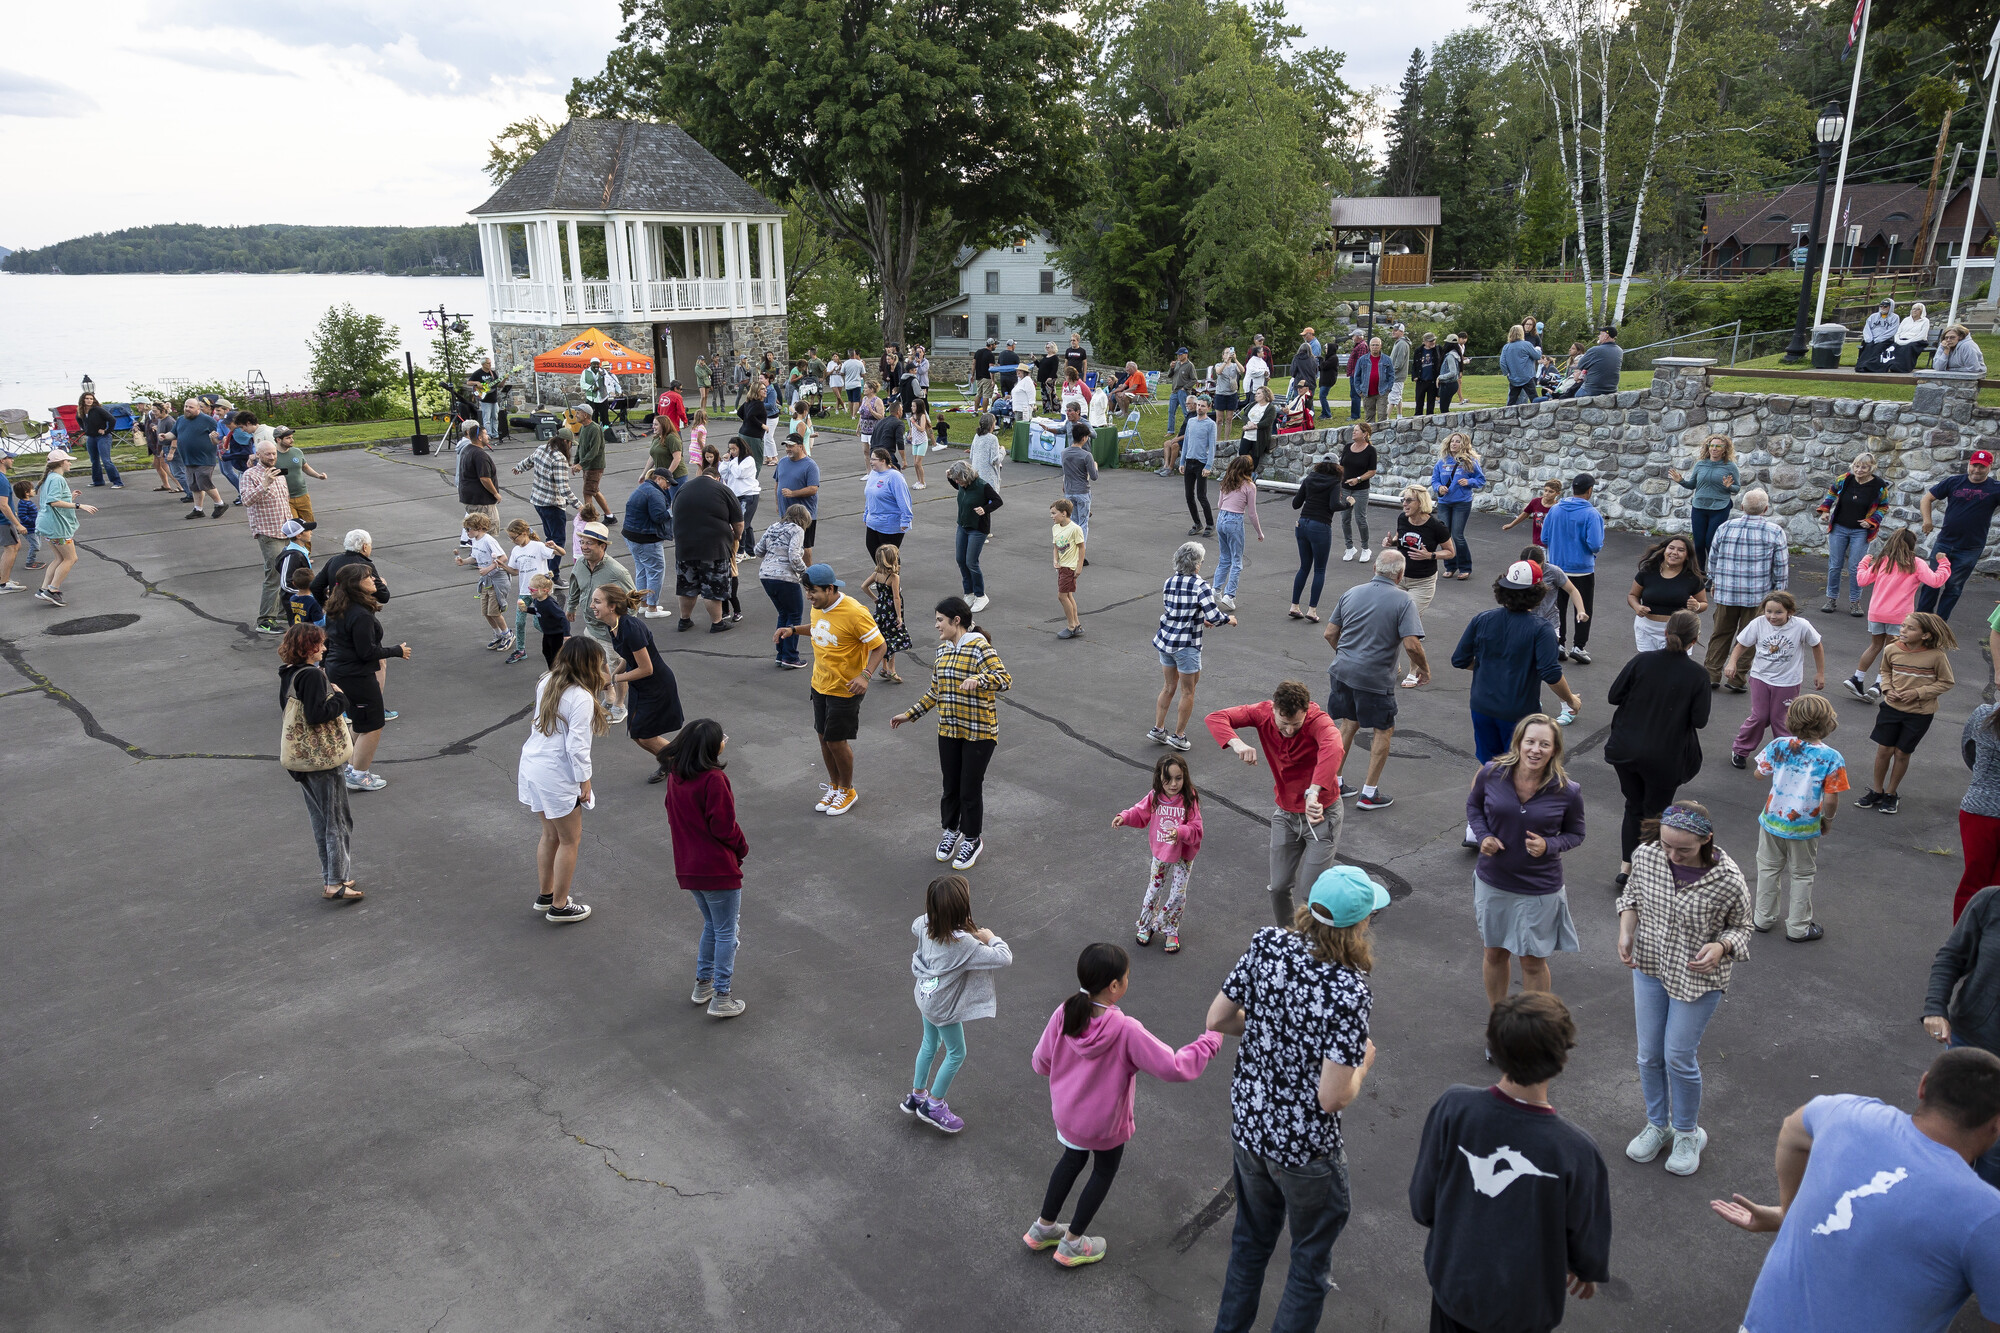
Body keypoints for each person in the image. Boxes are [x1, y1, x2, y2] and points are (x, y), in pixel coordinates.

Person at [1206, 868, 1384, 1333]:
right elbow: (1331, 1097)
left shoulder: (1268, 944)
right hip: (1305, 1151)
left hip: (1249, 1130)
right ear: (1357, 925)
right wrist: (1362, 1065)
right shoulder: (1349, 989)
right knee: (1308, 1267)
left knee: (1249, 1247)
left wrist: (1274, 1029)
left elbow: (1218, 1019)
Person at [1712, 1047, 2000, 1333]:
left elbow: (1791, 1132)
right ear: (1996, 1125)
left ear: (1923, 1085)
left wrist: (1788, 1211)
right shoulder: (1987, 1216)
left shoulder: (1845, 1113)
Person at [1409, 992, 1612, 1333]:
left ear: (1495, 1047)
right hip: (1525, 1308)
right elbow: (1588, 1235)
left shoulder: (1454, 1108)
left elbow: (1423, 1204)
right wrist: (1587, 1269)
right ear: (1562, 1058)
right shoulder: (1576, 1150)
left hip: (1455, 1288)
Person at [1026, 942, 1222, 1269]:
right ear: (1114, 986)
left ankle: (1043, 1229)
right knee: (1103, 1171)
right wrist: (1211, 1038)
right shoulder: (1126, 1030)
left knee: (1071, 1160)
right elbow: (1174, 1067)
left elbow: (1040, 1062)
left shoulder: (1066, 1011)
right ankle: (1072, 1244)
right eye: (1127, 976)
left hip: (1067, 1117)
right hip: (1104, 1127)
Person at [1613, 800, 1752, 1177]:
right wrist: (1627, 932)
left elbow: (1743, 928)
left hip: (1698, 978)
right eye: (1667, 845)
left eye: (1683, 850)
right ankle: (1659, 1125)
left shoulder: (1728, 879)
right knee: (1648, 1055)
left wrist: (1721, 946)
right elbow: (1631, 898)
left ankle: (1689, 1133)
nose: (1672, 855)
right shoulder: (1646, 855)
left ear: (1706, 840)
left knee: (1677, 1055)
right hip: (1651, 966)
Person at [1466, 715, 1584, 1014]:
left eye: (1545, 744)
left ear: (1555, 750)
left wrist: (1549, 845)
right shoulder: (1492, 773)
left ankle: (1532, 1027)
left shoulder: (1567, 790)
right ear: (1518, 743)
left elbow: (1576, 833)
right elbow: (1474, 806)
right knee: (1495, 953)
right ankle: (1500, 1023)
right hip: (1494, 881)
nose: (1536, 749)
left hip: (1538, 888)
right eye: (1530, 742)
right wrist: (1483, 836)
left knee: (1532, 961)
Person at [892, 596, 1011, 870]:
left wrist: (979, 679)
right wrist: (910, 715)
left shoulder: (979, 647)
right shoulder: (942, 651)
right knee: (950, 786)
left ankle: (972, 839)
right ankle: (951, 830)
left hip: (979, 731)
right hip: (948, 729)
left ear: (956, 621)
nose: (936, 626)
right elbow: (936, 691)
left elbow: (1004, 679)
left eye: (940, 620)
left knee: (969, 788)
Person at [900, 874, 1014, 1135]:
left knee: (929, 1044)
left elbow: (914, 926)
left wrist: (935, 919)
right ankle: (934, 1105)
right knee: (956, 1053)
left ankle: (917, 1095)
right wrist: (990, 937)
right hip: (944, 1009)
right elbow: (1004, 958)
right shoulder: (966, 945)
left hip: (925, 997)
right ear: (962, 909)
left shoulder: (927, 923)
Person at [1605, 610, 1710, 884]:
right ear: (1695, 640)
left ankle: (1626, 867)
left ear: (1666, 632)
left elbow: (1614, 695)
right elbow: (1700, 720)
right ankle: (1648, 871)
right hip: (1666, 755)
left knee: (1633, 806)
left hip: (1626, 749)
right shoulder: (1698, 675)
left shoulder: (1642, 661)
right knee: (1656, 812)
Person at [1452, 561, 1582, 782]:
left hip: (1481, 706)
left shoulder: (1483, 619)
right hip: (1518, 714)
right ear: (1539, 593)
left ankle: (1477, 815)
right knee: (1519, 773)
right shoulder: (1541, 629)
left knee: (1488, 767)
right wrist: (1570, 700)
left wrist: (1488, 665)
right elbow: (1550, 673)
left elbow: (1460, 660)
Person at [778, 563, 885, 816]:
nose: (808, 596)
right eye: (806, 590)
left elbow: (879, 646)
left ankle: (848, 790)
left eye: (812, 591)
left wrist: (866, 675)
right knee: (823, 738)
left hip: (846, 687)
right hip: (820, 683)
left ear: (830, 588)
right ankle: (835, 787)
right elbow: (818, 630)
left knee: (836, 741)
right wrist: (793, 629)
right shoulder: (819, 607)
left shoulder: (855, 613)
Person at [1326, 549, 1429, 811]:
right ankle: (1369, 793)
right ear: (1400, 574)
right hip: (1374, 678)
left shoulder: (1351, 592)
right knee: (1383, 729)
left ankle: (1334, 782)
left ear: (1375, 568)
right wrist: (1424, 669)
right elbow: (1412, 645)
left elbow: (1329, 633)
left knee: (1349, 723)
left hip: (1342, 672)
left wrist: (1347, 655)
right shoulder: (1404, 601)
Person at [517, 638, 607, 924]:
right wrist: (585, 781)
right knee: (570, 839)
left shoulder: (548, 680)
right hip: (556, 773)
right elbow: (577, 747)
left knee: (550, 835)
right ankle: (559, 906)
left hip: (533, 764)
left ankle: (546, 896)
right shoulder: (580, 697)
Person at [277, 623, 362, 903]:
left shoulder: (289, 673)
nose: (324, 649)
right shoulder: (312, 676)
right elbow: (316, 715)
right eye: (320, 644)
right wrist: (340, 697)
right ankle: (336, 881)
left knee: (321, 820)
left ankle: (331, 875)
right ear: (307, 647)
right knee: (337, 820)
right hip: (321, 760)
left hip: (301, 761)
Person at [1752, 694, 1847, 943]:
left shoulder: (1780, 745)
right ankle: (1798, 927)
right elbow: (1831, 798)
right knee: (1802, 874)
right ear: (1827, 723)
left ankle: (1762, 918)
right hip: (1805, 826)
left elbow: (1759, 773)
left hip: (1773, 820)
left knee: (1768, 868)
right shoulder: (1832, 758)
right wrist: (1829, 819)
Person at [1926, 888, 2000, 1186]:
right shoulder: (1991, 902)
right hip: (1970, 1045)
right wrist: (1935, 1008)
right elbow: (1951, 957)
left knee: (1994, 1163)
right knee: (1945, 1145)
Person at [1857, 611, 1957, 815]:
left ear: (1926, 635)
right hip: (1891, 709)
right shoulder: (1892, 649)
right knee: (1884, 750)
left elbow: (1946, 682)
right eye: (1903, 626)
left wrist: (1918, 693)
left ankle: (1891, 794)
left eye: (1910, 628)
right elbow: (1885, 671)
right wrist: (1887, 689)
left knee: (1902, 753)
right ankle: (1877, 791)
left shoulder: (1936, 655)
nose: (1903, 630)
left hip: (1919, 714)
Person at [323, 563, 408, 794]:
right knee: (373, 724)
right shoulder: (360, 615)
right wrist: (396, 651)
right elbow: (367, 652)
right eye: (368, 577)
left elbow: (329, 642)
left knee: (360, 720)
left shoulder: (337, 606)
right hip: (355, 675)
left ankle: (353, 768)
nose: (374, 580)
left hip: (339, 671)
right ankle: (359, 774)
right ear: (355, 584)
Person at [1148, 542, 1237, 751]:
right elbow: (1214, 616)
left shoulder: (1169, 582)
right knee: (1188, 691)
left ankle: (1158, 729)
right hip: (1187, 645)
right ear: (1196, 564)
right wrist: (1229, 619)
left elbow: (1178, 610)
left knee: (1168, 687)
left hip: (1166, 640)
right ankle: (1179, 736)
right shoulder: (1200, 585)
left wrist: (1200, 618)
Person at [1113, 754, 1204, 952]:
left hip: (1183, 854)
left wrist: (1181, 832)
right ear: (1159, 779)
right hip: (1161, 852)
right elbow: (1139, 812)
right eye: (1167, 780)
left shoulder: (1189, 797)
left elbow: (1197, 828)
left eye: (1178, 778)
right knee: (1153, 890)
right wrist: (1125, 817)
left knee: (1178, 894)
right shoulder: (1155, 797)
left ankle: (1170, 927)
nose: (1173, 784)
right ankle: (1146, 925)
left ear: (1185, 776)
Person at [592, 584, 684, 780]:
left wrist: (614, 678)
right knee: (636, 733)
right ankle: (670, 762)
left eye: (597, 601)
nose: (592, 605)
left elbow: (646, 668)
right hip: (641, 686)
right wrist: (611, 678)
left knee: (646, 735)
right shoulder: (613, 626)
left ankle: (680, 762)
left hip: (657, 685)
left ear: (612, 606)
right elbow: (629, 657)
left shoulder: (631, 628)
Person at [1701, 488, 1792, 688]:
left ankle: (1711, 675)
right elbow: (1781, 568)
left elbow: (1713, 559)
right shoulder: (1775, 531)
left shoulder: (1725, 527)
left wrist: (1714, 581)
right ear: (1766, 509)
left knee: (1720, 634)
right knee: (1750, 637)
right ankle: (1737, 678)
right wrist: (1779, 596)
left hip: (1727, 594)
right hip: (1759, 597)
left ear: (1741, 506)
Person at [1847, 527, 1950, 701]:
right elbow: (1935, 581)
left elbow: (1862, 580)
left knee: (1874, 646)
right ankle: (1879, 683)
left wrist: (1864, 562)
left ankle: (1857, 678)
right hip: (1899, 616)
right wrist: (1944, 563)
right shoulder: (1916, 563)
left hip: (1876, 612)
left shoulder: (1882, 561)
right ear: (1912, 545)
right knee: (1892, 650)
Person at [1724, 592, 1825, 765]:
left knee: (1782, 720)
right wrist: (1732, 663)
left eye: (1778, 612)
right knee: (1760, 716)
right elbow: (1741, 644)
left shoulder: (1801, 626)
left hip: (1788, 681)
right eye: (1768, 611)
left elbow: (1816, 645)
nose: (1772, 616)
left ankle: (1786, 755)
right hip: (1760, 677)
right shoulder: (1758, 623)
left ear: (1789, 612)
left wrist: (1820, 673)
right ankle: (1740, 750)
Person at [1917, 448, 2000, 621]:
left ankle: (1939, 625)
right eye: (1974, 465)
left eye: (1982, 467)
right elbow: (1927, 499)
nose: (1976, 470)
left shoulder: (1995, 489)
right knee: (1932, 582)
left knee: (1954, 587)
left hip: (1970, 548)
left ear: (1990, 467)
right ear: (1969, 464)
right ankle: (1919, 620)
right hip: (1945, 543)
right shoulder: (1954, 482)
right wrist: (1927, 521)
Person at [1808, 450, 1887, 617]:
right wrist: (1825, 511)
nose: (1858, 470)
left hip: (1861, 531)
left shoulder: (1879, 485)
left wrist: (1872, 520)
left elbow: (1883, 507)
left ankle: (1855, 602)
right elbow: (1831, 493)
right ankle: (1831, 599)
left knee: (1855, 567)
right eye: (1856, 466)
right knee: (1835, 565)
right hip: (1839, 528)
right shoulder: (1844, 479)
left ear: (1871, 468)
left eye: (1864, 467)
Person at [1387, 486, 1452, 685]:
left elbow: (1450, 552)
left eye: (1409, 501)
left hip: (1423, 582)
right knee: (1391, 621)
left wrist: (1430, 555)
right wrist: (1391, 543)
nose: (1404, 504)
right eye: (1403, 500)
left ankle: (1414, 670)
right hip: (1400, 579)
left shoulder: (1436, 526)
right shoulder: (1402, 518)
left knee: (1409, 625)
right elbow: (1401, 541)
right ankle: (1393, 664)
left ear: (1420, 503)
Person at [668, 459, 742, 634]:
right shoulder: (723, 490)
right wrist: (736, 538)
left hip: (685, 548)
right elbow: (739, 523)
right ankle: (717, 623)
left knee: (687, 586)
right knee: (713, 588)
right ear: (717, 478)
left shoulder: (683, 489)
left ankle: (684, 620)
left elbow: (673, 512)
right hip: (714, 549)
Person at [1539, 474, 1603, 664]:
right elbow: (1595, 544)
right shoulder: (1592, 514)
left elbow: (1544, 538)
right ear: (1589, 490)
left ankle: (1559, 642)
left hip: (1557, 567)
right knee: (1583, 608)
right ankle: (1579, 646)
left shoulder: (1556, 510)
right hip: (1582, 569)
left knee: (1556, 607)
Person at [29, 450, 95, 608]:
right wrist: (79, 505)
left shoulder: (50, 477)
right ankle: (52, 590)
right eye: (68, 460)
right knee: (71, 558)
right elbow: (53, 501)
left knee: (59, 559)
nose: (70, 463)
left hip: (48, 525)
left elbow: (53, 499)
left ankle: (44, 589)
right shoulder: (57, 479)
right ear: (60, 463)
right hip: (57, 526)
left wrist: (69, 497)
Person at [511, 430, 580, 577]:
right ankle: (552, 574)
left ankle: (546, 570)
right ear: (566, 442)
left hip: (538, 501)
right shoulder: (559, 458)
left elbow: (529, 461)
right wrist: (579, 506)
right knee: (558, 541)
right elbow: (563, 488)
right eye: (570, 444)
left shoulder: (542, 448)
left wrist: (519, 468)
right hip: (553, 505)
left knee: (550, 537)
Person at [751, 504, 811, 669]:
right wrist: (805, 574)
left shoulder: (773, 527)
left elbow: (758, 551)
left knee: (783, 613)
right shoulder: (797, 530)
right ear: (803, 519)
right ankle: (790, 656)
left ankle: (781, 654)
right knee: (794, 615)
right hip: (785, 577)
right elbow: (793, 555)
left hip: (766, 575)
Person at [1628, 534, 1710, 653]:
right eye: (1671, 548)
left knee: (1674, 669)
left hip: (1678, 632)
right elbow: (1632, 595)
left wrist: (1696, 606)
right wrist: (1637, 607)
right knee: (1648, 667)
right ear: (1664, 550)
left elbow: (1704, 603)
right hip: (1646, 629)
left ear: (1687, 556)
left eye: (1681, 550)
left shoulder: (1693, 578)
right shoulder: (1648, 571)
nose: (1674, 552)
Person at [1287, 457, 1344, 623]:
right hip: (1320, 526)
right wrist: (1348, 503)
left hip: (1302, 524)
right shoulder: (1334, 482)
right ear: (1336, 467)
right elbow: (1334, 505)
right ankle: (1312, 610)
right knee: (1319, 569)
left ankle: (1294, 606)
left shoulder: (1309, 478)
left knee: (1304, 567)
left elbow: (1296, 504)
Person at [1670, 434, 1740, 565]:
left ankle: (1713, 573)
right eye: (1712, 445)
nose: (1714, 448)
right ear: (1708, 447)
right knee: (1699, 544)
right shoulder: (1700, 464)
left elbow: (1737, 488)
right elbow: (1692, 485)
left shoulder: (1730, 466)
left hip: (1719, 508)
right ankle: (1700, 574)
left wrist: (1729, 486)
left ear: (1724, 449)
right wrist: (1681, 481)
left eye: (1718, 446)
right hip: (1699, 507)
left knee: (1710, 542)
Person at [1958, 703, 2000, 922]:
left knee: (1973, 882)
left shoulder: (1984, 713)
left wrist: (1983, 780)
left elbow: (1968, 751)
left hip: (1979, 808)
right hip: (1982, 808)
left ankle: (1962, 947)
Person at [454, 511, 516, 653]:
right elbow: (474, 558)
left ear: (479, 527)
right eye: (465, 529)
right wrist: (463, 561)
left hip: (497, 579)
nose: (466, 532)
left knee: (494, 611)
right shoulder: (475, 541)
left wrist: (488, 568)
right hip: (486, 580)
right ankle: (498, 634)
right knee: (486, 612)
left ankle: (508, 634)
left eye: (468, 529)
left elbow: (503, 558)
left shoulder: (488, 540)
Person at [946, 460, 1002, 613]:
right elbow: (956, 485)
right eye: (955, 479)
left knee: (971, 562)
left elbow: (998, 501)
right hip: (963, 526)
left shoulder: (982, 486)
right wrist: (949, 477)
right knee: (960, 559)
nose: (957, 482)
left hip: (978, 529)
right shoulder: (963, 484)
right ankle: (969, 593)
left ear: (966, 476)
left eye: (958, 479)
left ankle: (980, 595)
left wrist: (985, 509)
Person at [1429, 433, 1485, 581]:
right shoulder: (1442, 461)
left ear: (1463, 444)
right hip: (1444, 503)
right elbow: (1434, 479)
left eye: (1458, 442)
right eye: (1452, 441)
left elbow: (1481, 480)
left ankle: (1465, 567)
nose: (1454, 444)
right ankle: (1450, 566)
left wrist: (1469, 482)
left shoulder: (1470, 461)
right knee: (1444, 536)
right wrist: (1439, 487)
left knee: (1457, 536)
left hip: (1462, 502)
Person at [620, 468, 673, 618]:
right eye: (667, 483)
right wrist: (672, 511)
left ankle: (643, 604)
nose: (668, 487)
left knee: (642, 569)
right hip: (646, 538)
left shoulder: (644, 487)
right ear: (659, 479)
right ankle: (652, 608)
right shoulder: (655, 493)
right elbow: (659, 517)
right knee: (656, 571)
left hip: (631, 535)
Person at [1214, 454, 1264, 612]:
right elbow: (1252, 513)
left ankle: (1215, 590)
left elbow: (1219, 504)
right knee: (1237, 560)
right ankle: (1229, 595)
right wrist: (1259, 532)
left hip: (1221, 518)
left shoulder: (1226, 482)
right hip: (1235, 521)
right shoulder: (1249, 486)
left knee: (1224, 558)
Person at [860, 544, 913, 684]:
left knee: (882, 639)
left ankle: (884, 668)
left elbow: (863, 586)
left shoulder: (877, 574)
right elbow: (896, 597)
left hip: (881, 610)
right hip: (891, 612)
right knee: (892, 640)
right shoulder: (893, 577)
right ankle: (892, 669)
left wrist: (874, 598)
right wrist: (899, 616)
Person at [169, 397, 225, 519]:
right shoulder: (180, 420)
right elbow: (173, 434)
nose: (187, 409)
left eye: (191, 407)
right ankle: (198, 509)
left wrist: (219, 445)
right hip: (189, 458)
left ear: (198, 408)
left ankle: (220, 503)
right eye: (186, 406)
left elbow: (219, 436)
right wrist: (164, 436)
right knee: (194, 485)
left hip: (204, 458)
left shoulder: (208, 420)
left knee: (203, 482)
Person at [774, 433, 821, 563]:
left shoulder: (810, 465)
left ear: (800, 446)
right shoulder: (782, 462)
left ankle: (808, 575)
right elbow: (777, 483)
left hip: (804, 516)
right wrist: (778, 504)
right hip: (786, 513)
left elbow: (813, 489)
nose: (788, 449)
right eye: (786, 446)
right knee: (787, 544)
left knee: (804, 546)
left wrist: (793, 493)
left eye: (791, 446)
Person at [1175, 396, 1217, 536]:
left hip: (1201, 463)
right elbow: (1186, 442)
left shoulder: (1211, 424)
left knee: (1201, 495)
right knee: (1188, 495)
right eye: (1198, 405)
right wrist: (1182, 461)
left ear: (1208, 408)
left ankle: (1210, 524)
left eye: (1203, 406)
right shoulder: (1191, 422)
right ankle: (1197, 523)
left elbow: (1212, 447)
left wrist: (1208, 466)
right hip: (1189, 461)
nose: (1199, 408)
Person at [862, 446, 914, 558]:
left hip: (889, 526)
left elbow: (904, 500)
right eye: (870, 459)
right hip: (873, 523)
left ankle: (892, 576)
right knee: (875, 553)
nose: (870, 462)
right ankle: (882, 575)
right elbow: (870, 497)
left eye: (873, 459)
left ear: (883, 461)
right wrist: (866, 515)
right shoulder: (873, 474)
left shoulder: (895, 477)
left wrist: (906, 520)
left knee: (888, 559)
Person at [1338, 423, 1378, 562]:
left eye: (1356, 431)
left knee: (1360, 519)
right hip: (1345, 488)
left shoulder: (1370, 450)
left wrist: (1358, 479)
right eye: (1353, 431)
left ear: (1365, 434)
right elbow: (1341, 467)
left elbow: (1372, 471)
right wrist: (1339, 486)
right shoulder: (1347, 447)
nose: (1353, 433)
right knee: (1345, 518)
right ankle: (1349, 548)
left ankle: (1365, 548)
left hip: (1360, 489)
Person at [718, 437, 762, 557]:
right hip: (736, 496)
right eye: (730, 449)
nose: (732, 452)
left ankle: (739, 551)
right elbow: (723, 473)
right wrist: (726, 462)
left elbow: (738, 473)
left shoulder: (749, 460)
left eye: (734, 449)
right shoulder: (733, 461)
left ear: (741, 448)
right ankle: (750, 551)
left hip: (748, 495)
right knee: (746, 524)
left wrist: (731, 462)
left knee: (740, 523)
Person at [1051, 497, 1086, 639]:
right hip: (1062, 567)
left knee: (1062, 596)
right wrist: (1055, 560)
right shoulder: (1055, 528)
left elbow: (1082, 548)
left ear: (1064, 513)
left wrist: (1079, 567)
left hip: (1069, 568)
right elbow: (1055, 546)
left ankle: (1072, 626)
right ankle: (1076, 624)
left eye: (1054, 513)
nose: (1051, 516)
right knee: (1069, 595)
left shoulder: (1075, 529)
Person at [72, 390, 120, 490]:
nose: (89, 400)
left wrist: (107, 431)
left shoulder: (98, 409)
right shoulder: (81, 411)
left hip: (102, 437)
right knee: (94, 460)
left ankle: (117, 481)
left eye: (91, 399)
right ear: (83, 400)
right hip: (91, 438)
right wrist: (86, 430)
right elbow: (79, 420)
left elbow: (112, 419)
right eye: (87, 398)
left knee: (106, 460)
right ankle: (98, 481)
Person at [1060, 424, 1099, 544]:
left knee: (1073, 522)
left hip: (1069, 491)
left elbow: (1065, 472)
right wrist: (1095, 466)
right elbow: (1094, 476)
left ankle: (1071, 549)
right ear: (1084, 438)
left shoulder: (1064, 453)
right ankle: (1081, 551)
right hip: (1082, 491)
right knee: (1083, 524)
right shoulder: (1087, 455)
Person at [1351, 336, 1392, 421]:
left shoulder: (1387, 360)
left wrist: (1388, 388)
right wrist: (1359, 390)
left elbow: (1391, 375)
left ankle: (1382, 433)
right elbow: (1357, 376)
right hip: (1367, 392)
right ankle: (1371, 433)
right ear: (1369, 346)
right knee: (1369, 416)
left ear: (1381, 346)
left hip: (1382, 392)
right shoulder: (1362, 360)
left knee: (1382, 415)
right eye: (1373, 345)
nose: (1375, 347)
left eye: (1377, 345)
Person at [1577, 326, 1623, 397]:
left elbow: (1580, 365)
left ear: (1606, 336)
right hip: (1612, 390)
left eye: (1601, 334)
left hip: (1592, 390)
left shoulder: (1595, 350)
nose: (1598, 336)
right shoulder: (1619, 351)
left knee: (1570, 396)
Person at [1501, 325, 1540, 406]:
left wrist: (1507, 373)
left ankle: (1507, 416)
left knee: (1512, 400)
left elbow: (1502, 362)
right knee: (1534, 399)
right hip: (1527, 377)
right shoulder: (1526, 344)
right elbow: (1537, 356)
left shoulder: (1506, 347)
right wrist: (1538, 349)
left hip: (1513, 377)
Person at [1857, 297, 1898, 368]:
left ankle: (1871, 366)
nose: (1883, 308)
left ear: (1890, 307)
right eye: (1881, 306)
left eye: (1885, 306)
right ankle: (1861, 366)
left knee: (1877, 348)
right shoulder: (1873, 316)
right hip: (1871, 339)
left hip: (1885, 340)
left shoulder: (1895, 317)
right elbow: (1867, 329)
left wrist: (1879, 339)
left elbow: (1892, 331)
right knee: (1868, 346)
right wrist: (1869, 339)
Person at [1213, 348, 1243, 441]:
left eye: (1230, 353)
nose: (1228, 354)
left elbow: (1242, 370)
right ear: (1223, 356)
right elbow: (1218, 371)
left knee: (1229, 419)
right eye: (1226, 353)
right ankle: (1217, 440)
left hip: (1232, 395)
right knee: (1219, 420)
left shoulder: (1234, 365)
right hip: (1220, 394)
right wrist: (1225, 362)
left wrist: (1235, 359)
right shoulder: (1218, 365)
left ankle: (1227, 440)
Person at [1436, 334, 1463, 414]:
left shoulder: (1450, 356)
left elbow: (1453, 372)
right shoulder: (1456, 354)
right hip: (1453, 384)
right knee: (1445, 407)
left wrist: (1440, 377)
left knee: (1444, 409)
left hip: (1448, 384)